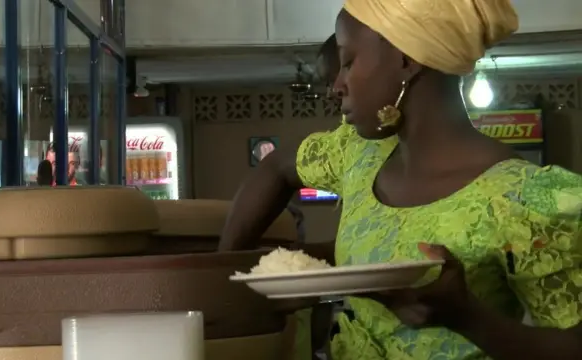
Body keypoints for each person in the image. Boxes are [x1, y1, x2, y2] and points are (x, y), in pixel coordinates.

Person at [219, 0, 582, 359]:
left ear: (406, 60)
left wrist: (468, 319)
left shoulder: (525, 198)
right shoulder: (359, 154)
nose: (336, 86)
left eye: (348, 62)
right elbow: (276, 167)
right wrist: (226, 272)